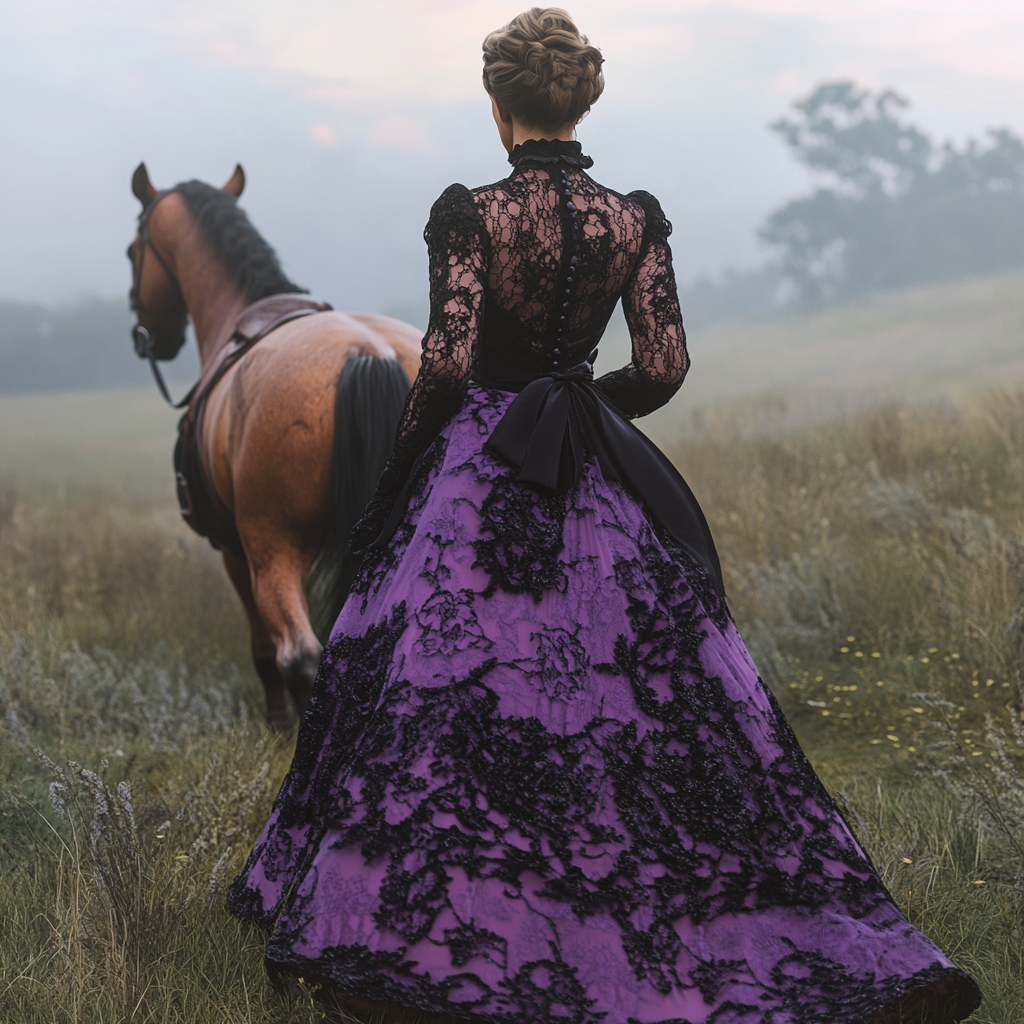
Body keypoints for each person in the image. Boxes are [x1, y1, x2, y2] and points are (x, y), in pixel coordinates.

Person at [229, 9, 981, 1023]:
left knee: (432, 686)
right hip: (593, 466)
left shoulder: (471, 213)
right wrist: (582, 403)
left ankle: (416, 919)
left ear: (499, 108)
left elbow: (447, 361)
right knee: (647, 689)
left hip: (478, 465)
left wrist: (413, 458)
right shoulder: (634, 218)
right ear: (580, 101)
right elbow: (666, 362)